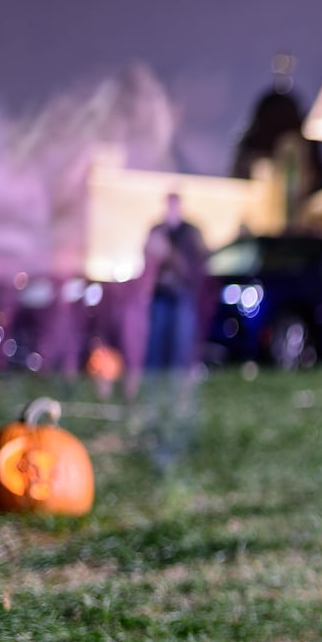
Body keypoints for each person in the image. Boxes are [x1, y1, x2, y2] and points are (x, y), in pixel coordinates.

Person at [136, 193, 209, 470]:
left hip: (182, 296)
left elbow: (195, 265)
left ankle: (179, 393)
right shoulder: (157, 229)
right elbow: (147, 260)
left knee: (179, 344)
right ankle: (153, 391)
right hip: (160, 296)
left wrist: (171, 253)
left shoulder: (191, 232)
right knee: (155, 345)